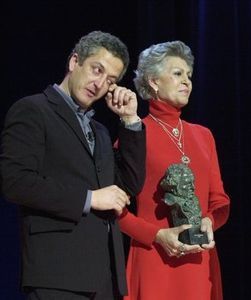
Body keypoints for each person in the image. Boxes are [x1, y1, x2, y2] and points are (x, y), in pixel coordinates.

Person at [0, 31, 146, 299]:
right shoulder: (33, 110)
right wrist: (89, 198)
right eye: (96, 69)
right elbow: (15, 182)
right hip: (57, 273)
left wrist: (130, 121)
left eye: (110, 80)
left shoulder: (100, 130)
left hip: (104, 276)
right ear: (74, 62)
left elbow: (129, 185)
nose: (99, 83)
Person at [118, 40, 230, 300]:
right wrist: (157, 235)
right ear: (154, 81)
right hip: (154, 258)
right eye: (178, 74)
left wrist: (209, 222)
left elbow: (220, 201)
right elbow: (117, 211)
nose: (187, 82)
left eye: (189, 75)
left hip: (199, 261)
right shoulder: (135, 136)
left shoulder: (204, 136)